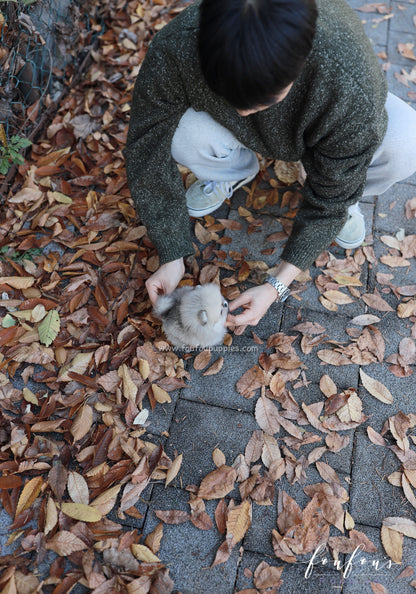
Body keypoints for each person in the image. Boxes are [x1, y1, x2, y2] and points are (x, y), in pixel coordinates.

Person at [124, 0, 416, 329]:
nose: (247, 111)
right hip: (238, 130)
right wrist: (171, 250)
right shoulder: (176, 46)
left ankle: (346, 185)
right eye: (231, 97)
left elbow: (328, 202)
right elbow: (146, 145)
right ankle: (229, 170)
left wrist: (277, 285)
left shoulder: (348, 82)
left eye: (268, 97)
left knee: (405, 141)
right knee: (181, 132)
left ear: (301, 63)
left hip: (322, 134)